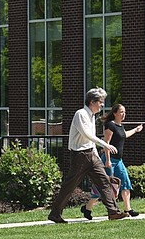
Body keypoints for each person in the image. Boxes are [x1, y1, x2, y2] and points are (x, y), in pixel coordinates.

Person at [48, 88, 129, 223]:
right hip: (80, 156)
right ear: (92, 102)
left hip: (91, 154)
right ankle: (55, 214)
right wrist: (105, 144)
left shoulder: (91, 116)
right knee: (70, 185)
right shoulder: (81, 114)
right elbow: (86, 134)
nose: (102, 105)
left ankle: (113, 212)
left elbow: (90, 140)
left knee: (105, 182)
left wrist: (97, 155)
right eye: (100, 102)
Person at [81, 103, 143, 219]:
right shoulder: (110, 125)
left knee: (125, 183)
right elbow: (106, 144)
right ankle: (87, 208)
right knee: (103, 185)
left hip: (118, 161)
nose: (123, 114)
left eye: (124, 112)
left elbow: (124, 135)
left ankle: (128, 209)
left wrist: (136, 130)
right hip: (109, 160)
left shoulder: (120, 126)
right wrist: (108, 161)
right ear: (114, 113)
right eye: (121, 112)